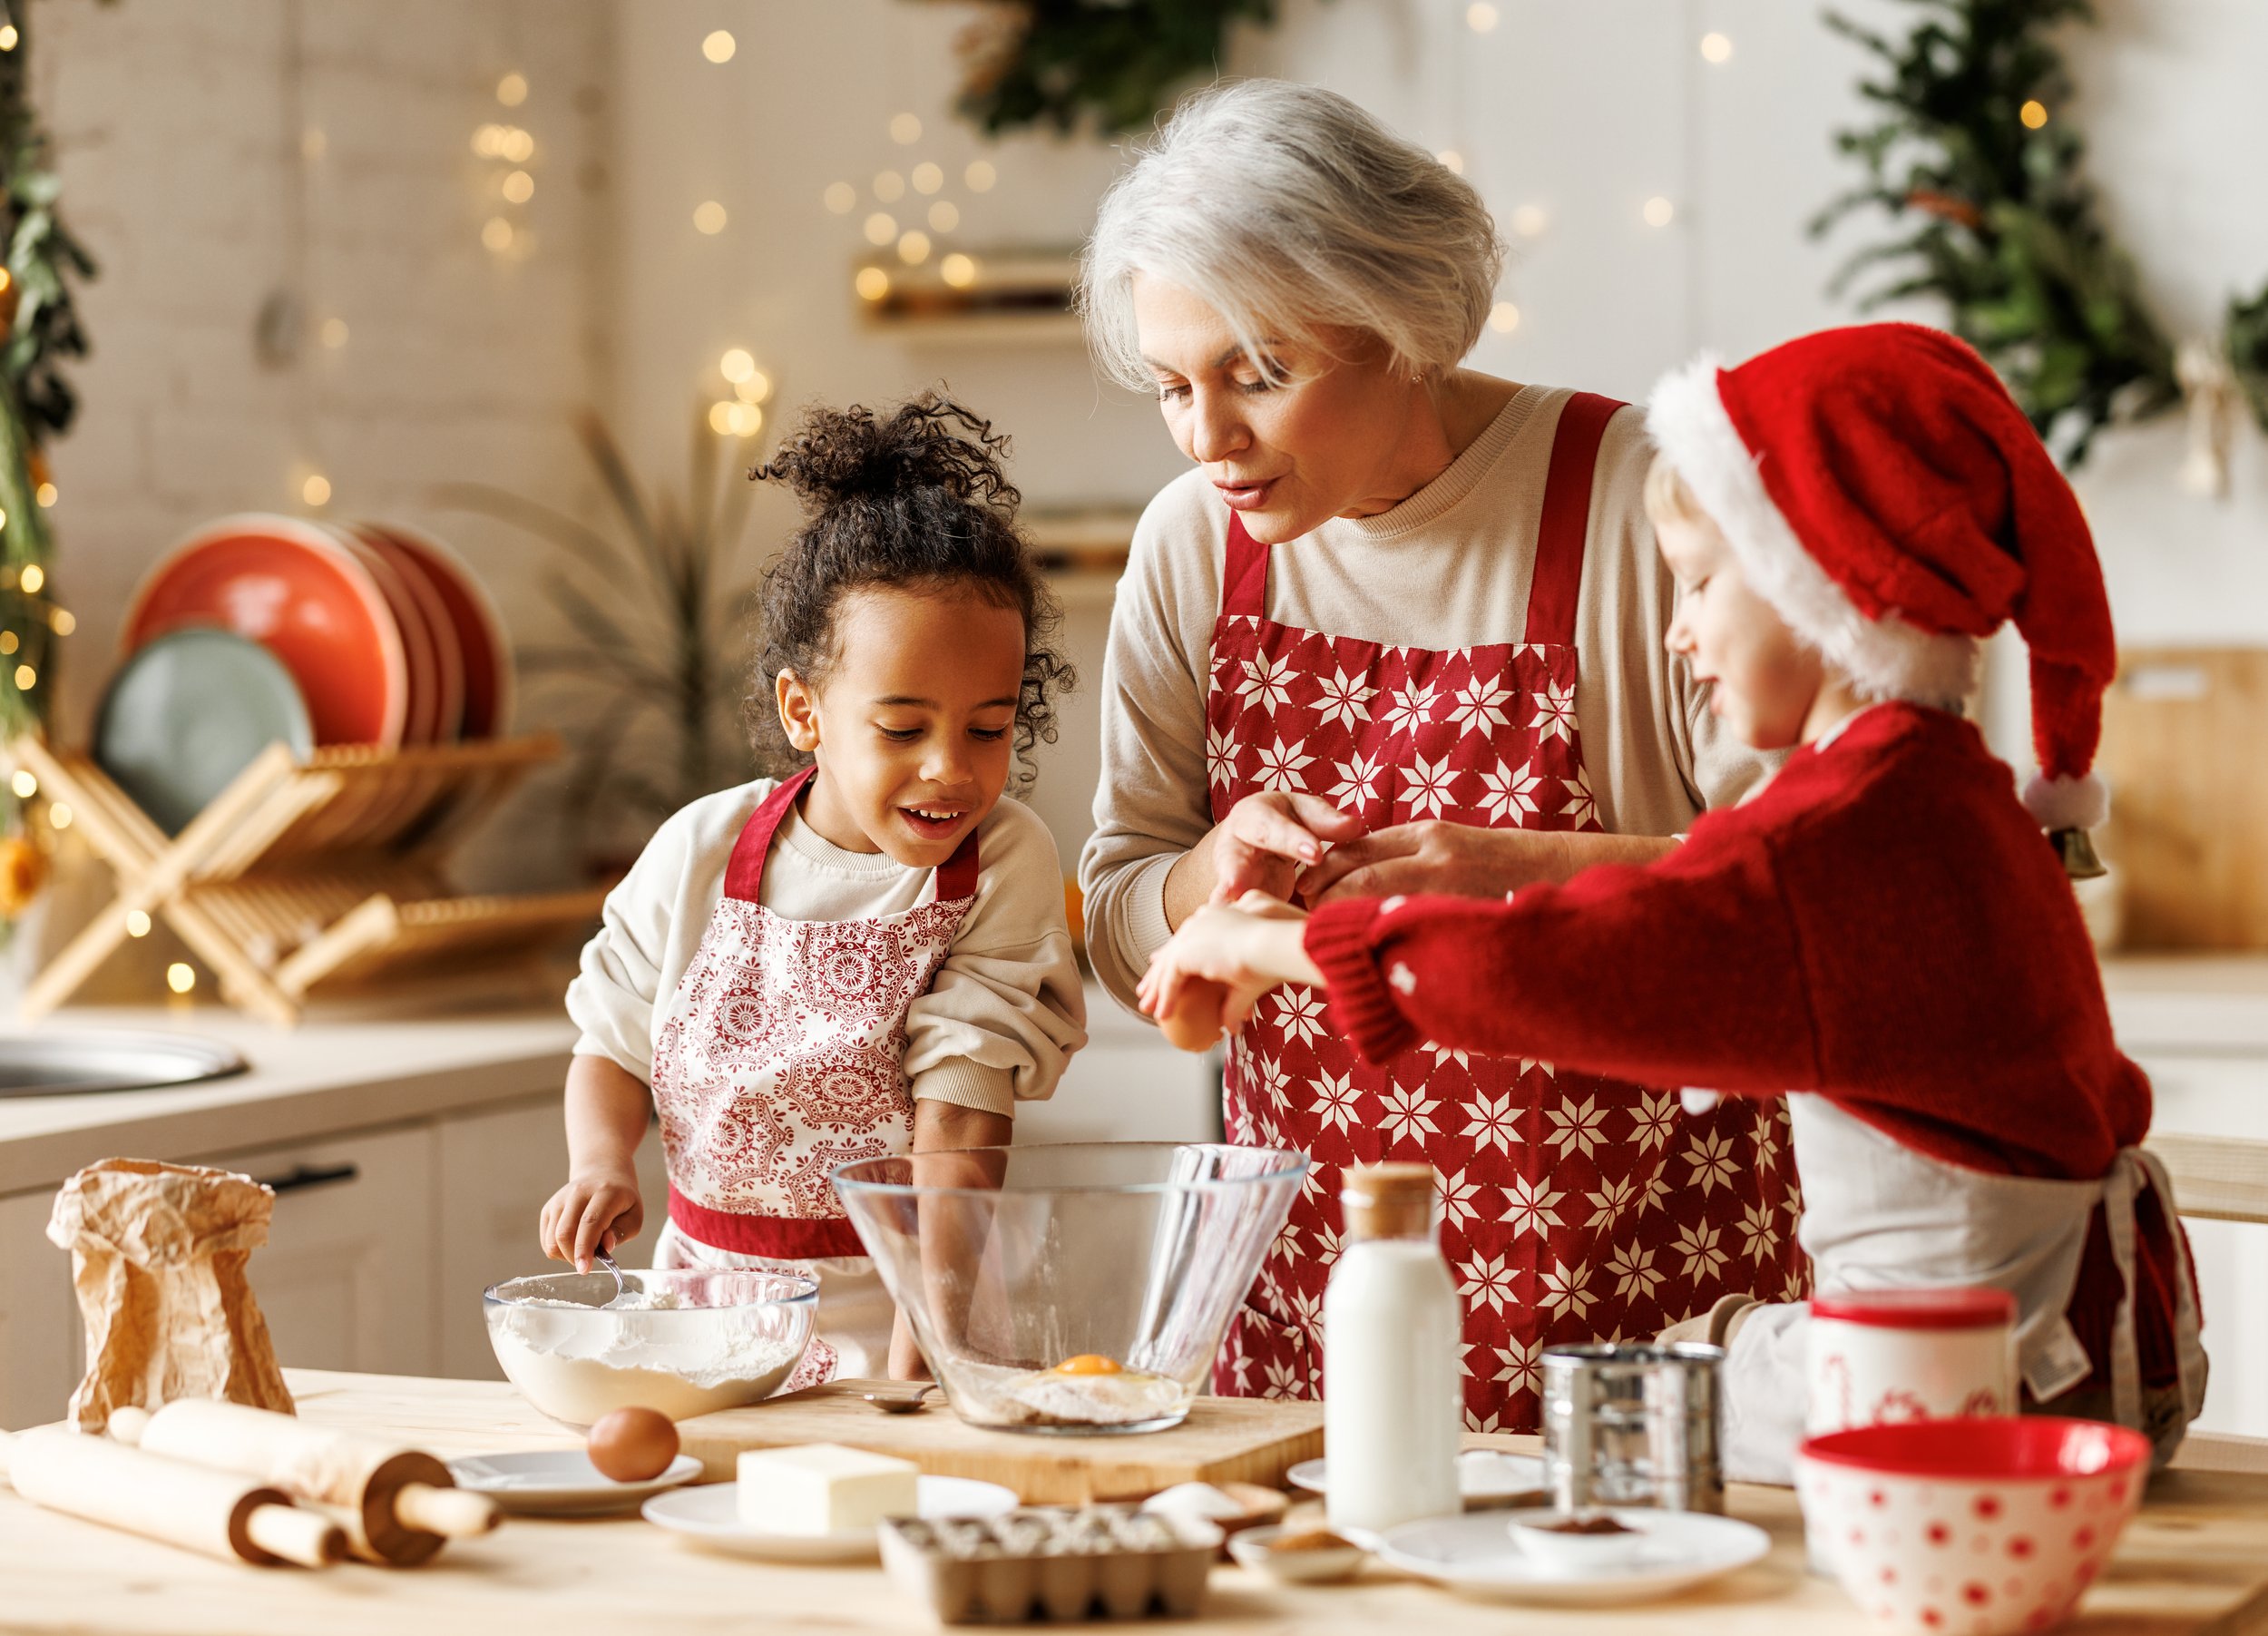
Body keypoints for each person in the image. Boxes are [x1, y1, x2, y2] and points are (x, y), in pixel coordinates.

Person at [1139, 323, 2206, 1479]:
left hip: (1972, 1389)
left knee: (1582, 1435)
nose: (1678, 631)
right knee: (1663, 1380)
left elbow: (1554, 968)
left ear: (1825, 589)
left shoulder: (1841, 838)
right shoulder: (1943, 794)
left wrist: (1284, 944)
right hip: (2062, 1350)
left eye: (1702, 582)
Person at [1076, 77, 1803, 1425]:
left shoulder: (1642, 497)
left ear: (1401, 322)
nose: (1208, 436)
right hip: (1308, 1302)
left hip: (1643, 1288)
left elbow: (1795, 902)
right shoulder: (1190, 544)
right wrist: (1204, 876)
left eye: (1258, 373)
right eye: (1175, 386)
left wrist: (1514, 870)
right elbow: (1118, 914)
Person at [543, 393, 1089, 1381]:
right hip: (699, 1317)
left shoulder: (1002, 863)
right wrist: (601, 1164)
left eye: (987, 727)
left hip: (908, 1304)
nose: (950, 772)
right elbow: (613, 1041)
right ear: (806, 709)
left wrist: (926, 1351)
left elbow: (958, 1135)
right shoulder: (700, 848)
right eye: (902, 728)